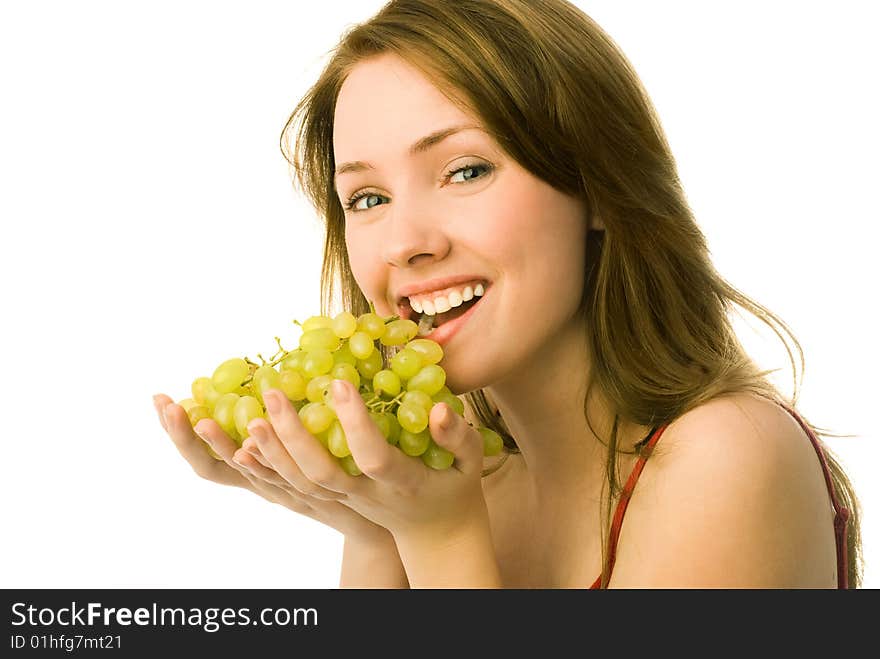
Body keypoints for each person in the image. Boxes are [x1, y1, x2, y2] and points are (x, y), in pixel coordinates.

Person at [153, 0, 862, 588]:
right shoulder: (453, 484)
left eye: (464, 171)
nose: (404, 242)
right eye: (367, 196)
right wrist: (374, 530)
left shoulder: (728, 455)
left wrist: (439, 539)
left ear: (597, 188)